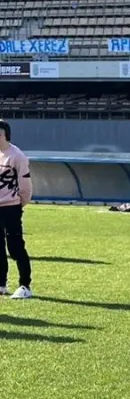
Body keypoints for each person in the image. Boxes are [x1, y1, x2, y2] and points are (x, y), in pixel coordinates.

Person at [0, 120, 33, 299]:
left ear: (5, 135)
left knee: (15, 247)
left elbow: (25, 183)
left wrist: (20, 202)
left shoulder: (16, 156)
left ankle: (25, 285)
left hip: (11, 208)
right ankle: (1, 283)